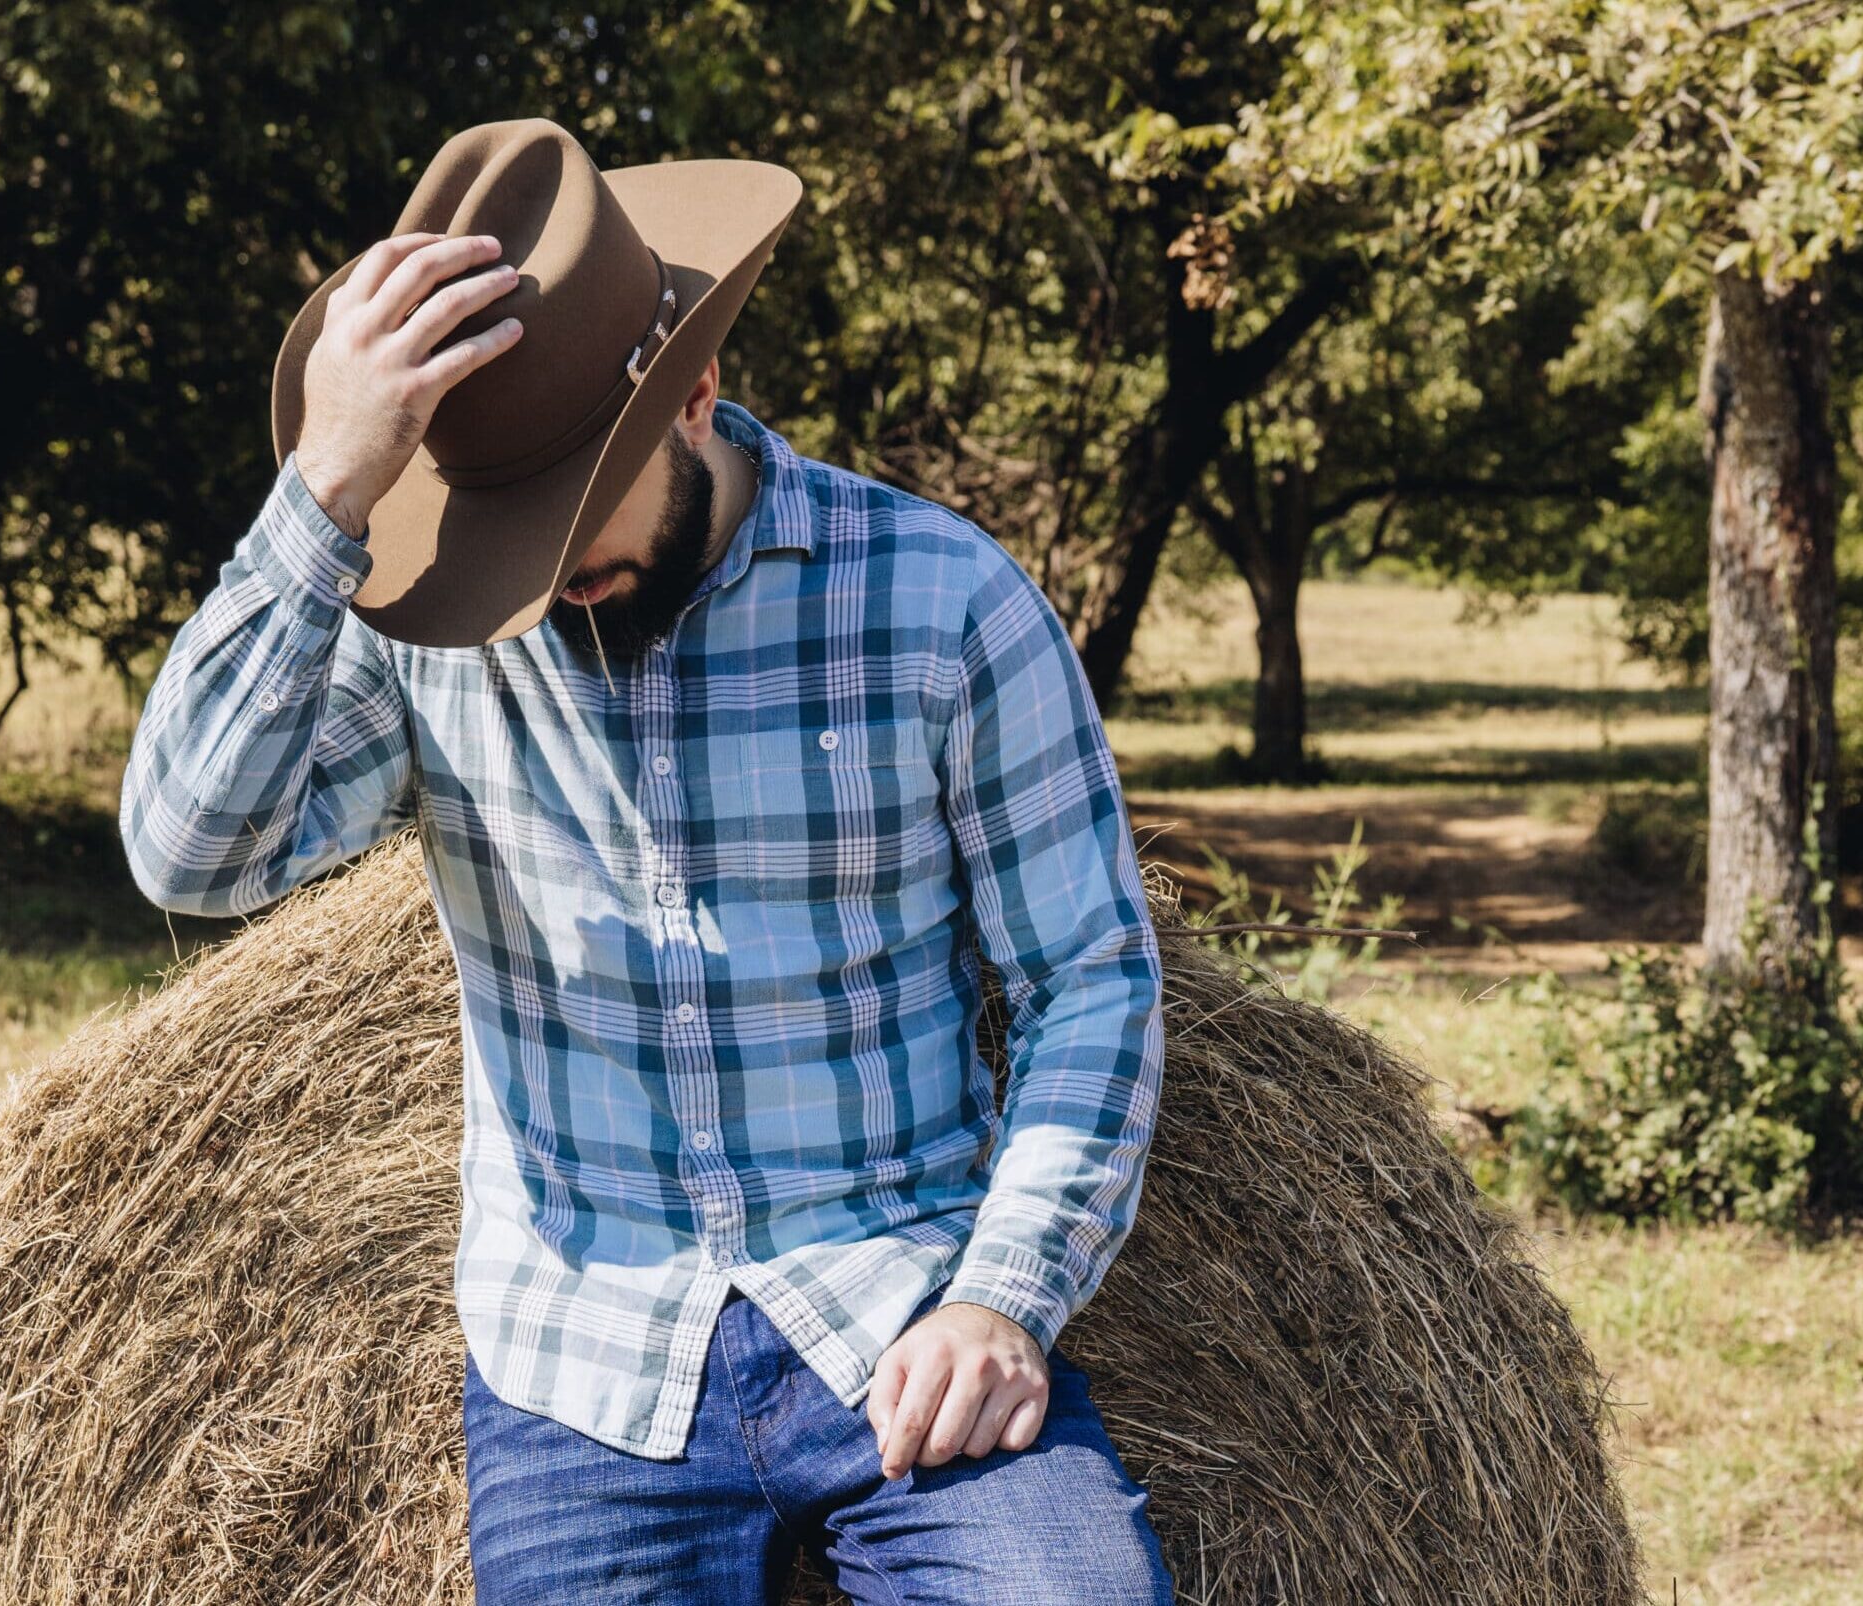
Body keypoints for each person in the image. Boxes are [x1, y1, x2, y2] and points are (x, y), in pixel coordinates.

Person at [119, 117, 1172, 1604]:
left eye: (571, 517)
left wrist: (1003, 1295)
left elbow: (1089, 979)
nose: (544, 578)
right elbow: (187, 852)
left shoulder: (943, 605)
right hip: (583, 1355)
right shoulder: (438, 625)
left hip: (896, 1295)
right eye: (510, 528)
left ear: (696, 390)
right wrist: (328, 490)